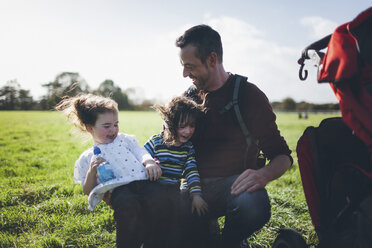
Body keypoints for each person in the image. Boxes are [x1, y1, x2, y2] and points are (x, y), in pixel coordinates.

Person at [175, 25, 293, 247]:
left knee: (253, 203)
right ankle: (203, 231)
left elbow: (282, 156)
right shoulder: (187, 97)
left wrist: (264, 175)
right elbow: (167, 145)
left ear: (212, 59)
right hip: (192, 189)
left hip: (235, 188)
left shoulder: (248, 95)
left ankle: (232, 241)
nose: (184, 74)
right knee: (169, 210)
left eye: (189, 66)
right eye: (183, 66)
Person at [55, 94, 167, 248]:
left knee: (160, 198)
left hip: (142, 181)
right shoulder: (89, 157)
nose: (113, 130)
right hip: (119, 190)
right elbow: (88, 190)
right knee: (128, 207)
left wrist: (148, 162)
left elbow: (140, 151)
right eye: (107, 126)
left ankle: (152, 242)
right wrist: (92, 171)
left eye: (116, 124)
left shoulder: (125, 140)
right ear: (90, 128)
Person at [144, 96, 208, 216]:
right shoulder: (156, 142)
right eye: (182, 126)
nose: (188, 131)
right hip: (151, 189)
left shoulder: (188, 148)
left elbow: (191, 172)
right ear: (170, 125)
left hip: (172, 191)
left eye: (192, 126)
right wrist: (149, 163)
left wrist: (196, 196)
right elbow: (141, 155)